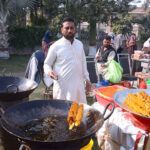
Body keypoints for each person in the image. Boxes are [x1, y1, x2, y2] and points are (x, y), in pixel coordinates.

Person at [44, 17, 91, 103]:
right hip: (63, 87)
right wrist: (49, 72)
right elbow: (47, 64)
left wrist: (87, 80)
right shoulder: (56, 46)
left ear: (75, 29)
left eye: (72, 28)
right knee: (62, 113)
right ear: (62, 29)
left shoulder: (79, 44)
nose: (69, 30)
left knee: (79, 112)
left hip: (78, 87)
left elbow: (83, 63)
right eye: (67, 28)